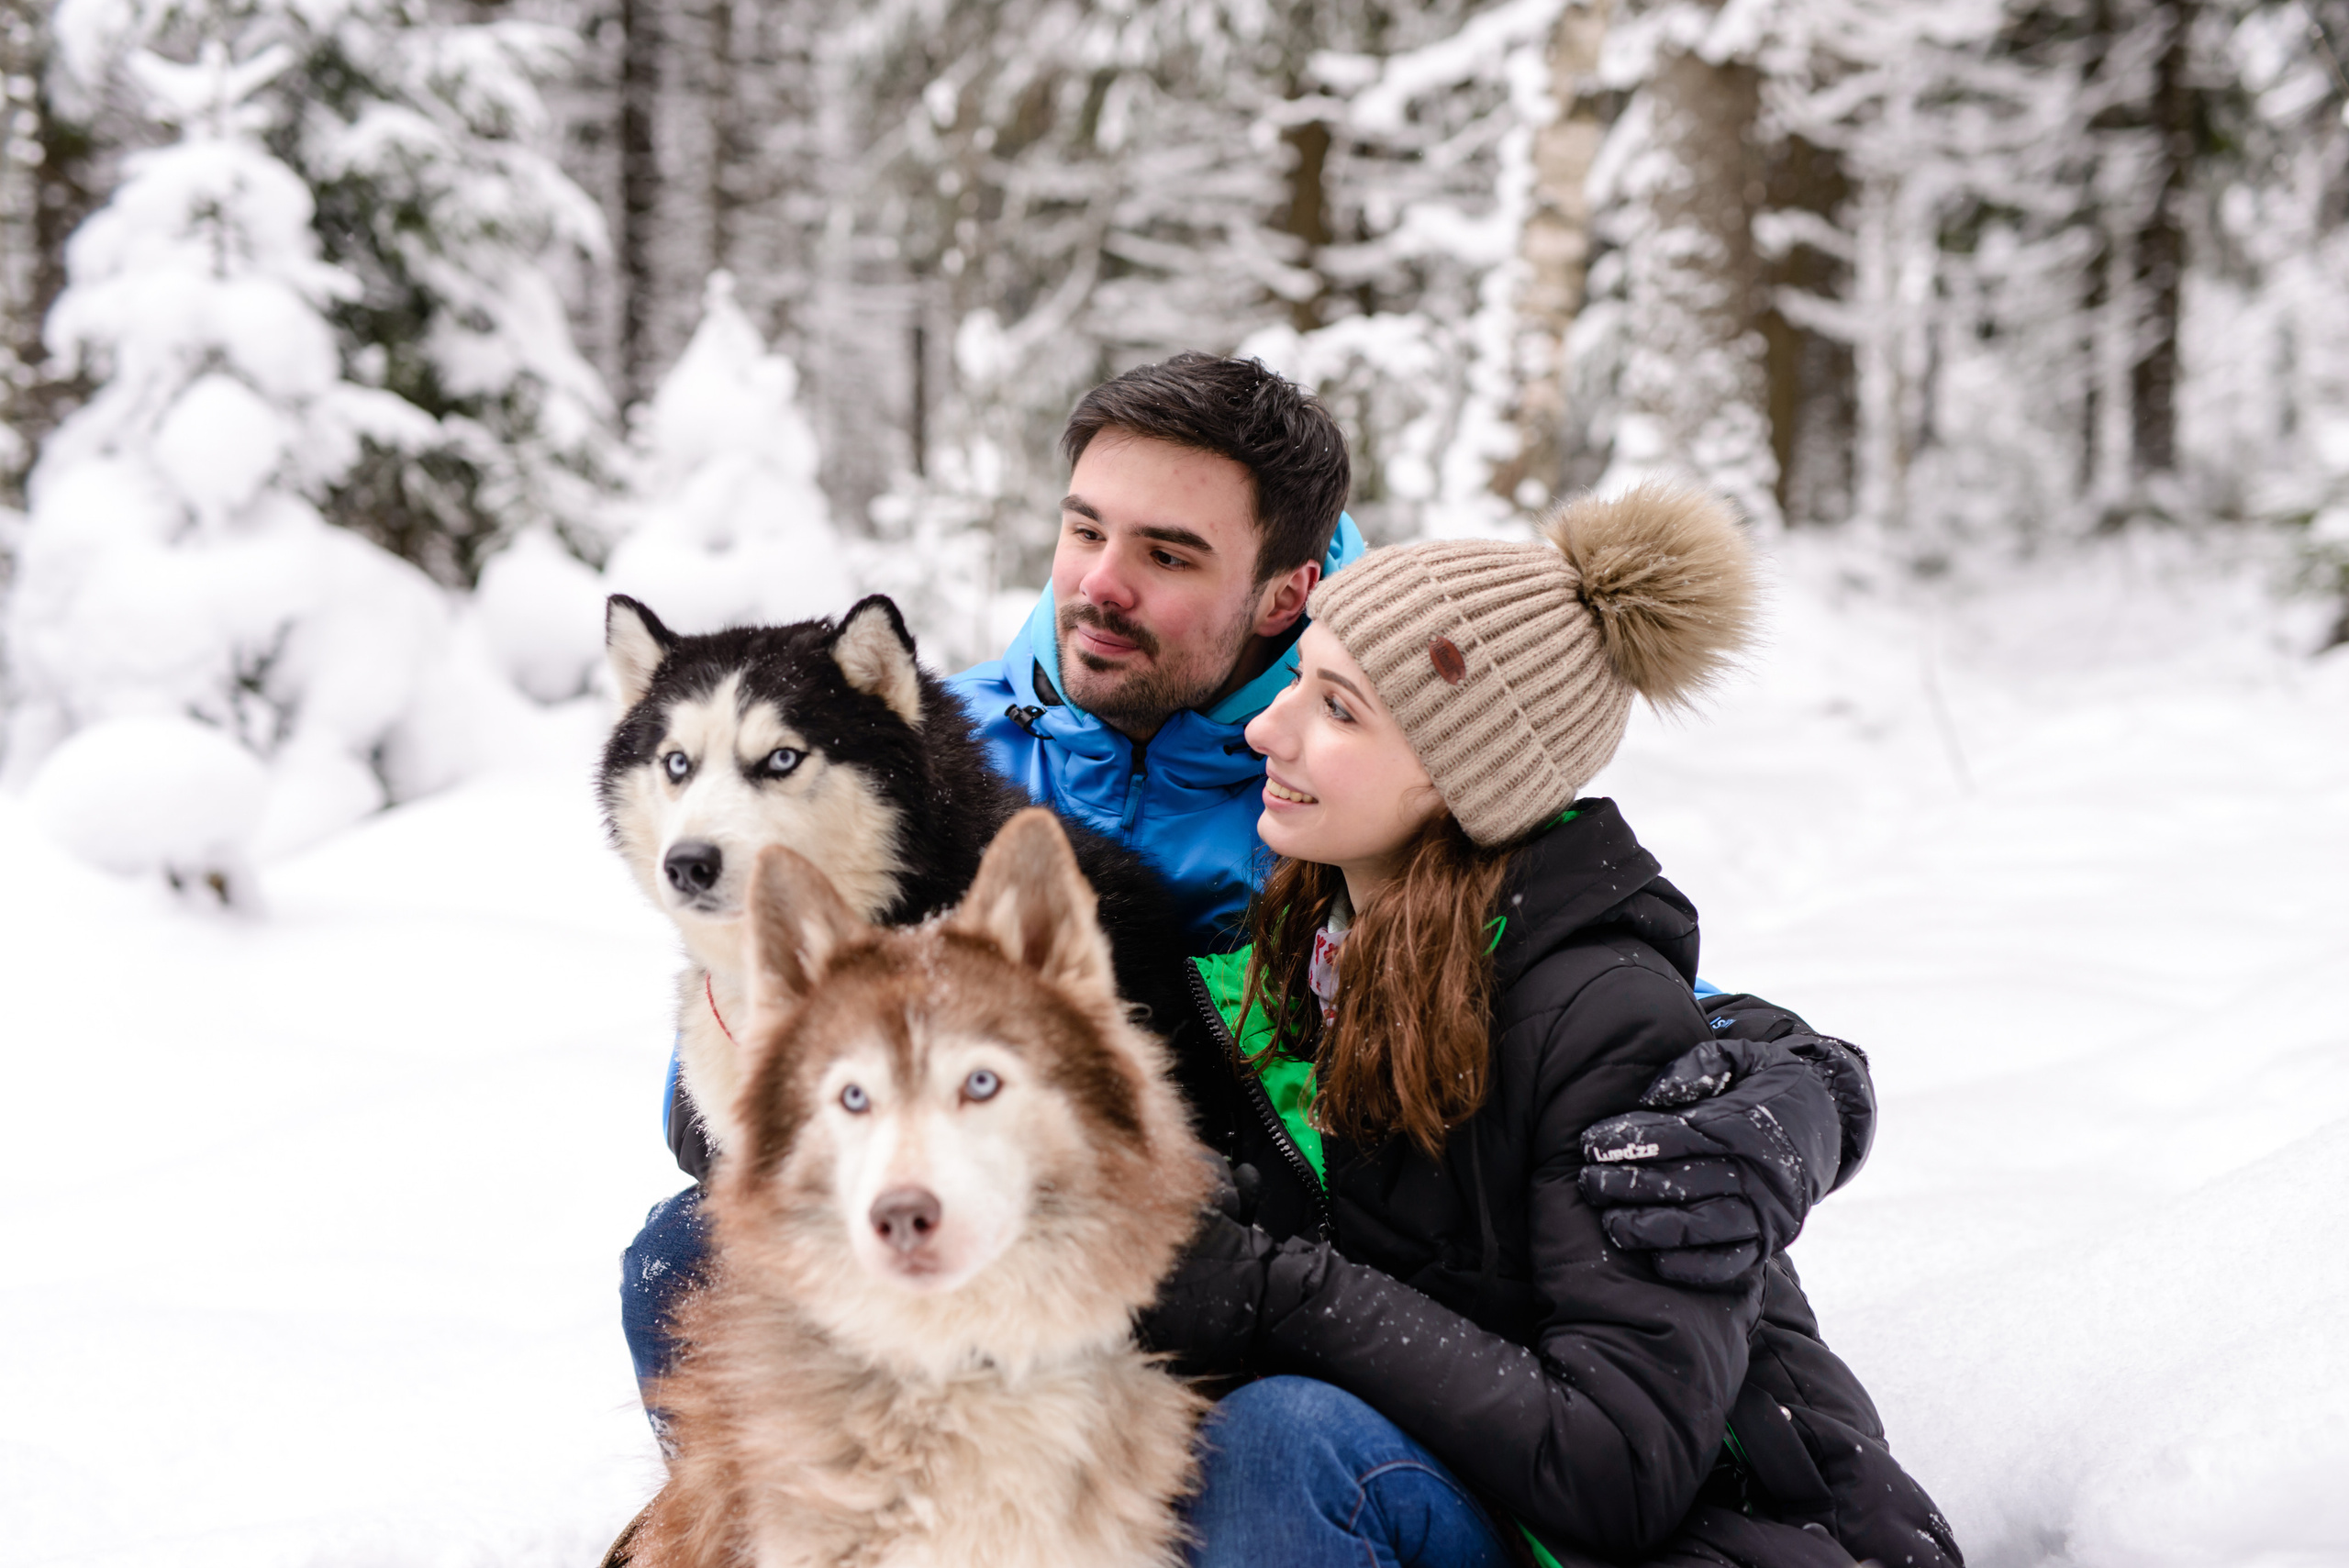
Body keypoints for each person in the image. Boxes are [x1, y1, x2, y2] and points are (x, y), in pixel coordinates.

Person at [618, 357, 1878, 1441]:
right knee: (686, 1258)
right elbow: (740, 1015)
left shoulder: (1363, 773)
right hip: (985, 1199)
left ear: (1288, 590)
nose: (1100, 583)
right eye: (1085, 529)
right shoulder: (921, 748)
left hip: (1247, 1266)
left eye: (1167, 554)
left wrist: (1808, 1085)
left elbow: (1581, 974)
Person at [1137, 484, 1961, 1568]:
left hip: (1715, 1537)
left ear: (1461, 776)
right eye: (1298, 681)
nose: (1264, 728)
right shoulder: (1307, 966)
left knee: (1286, 1439)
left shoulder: (1601, 1020)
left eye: (1338, 708)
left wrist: (1278, 1288)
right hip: (1490, 1506)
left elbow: (1615, 1466)